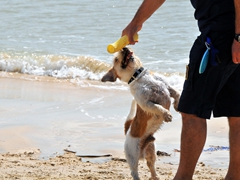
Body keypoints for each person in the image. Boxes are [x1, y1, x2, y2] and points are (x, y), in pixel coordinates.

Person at [121, 0, 240, 179]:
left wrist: (238, 37)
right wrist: (136, 22)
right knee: (236, 113)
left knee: (192, 113)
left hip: (218, 38)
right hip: (229, 36)